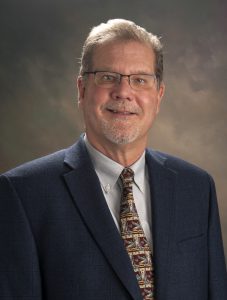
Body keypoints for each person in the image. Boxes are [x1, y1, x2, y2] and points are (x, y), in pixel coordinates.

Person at [0, 19, 226, 300]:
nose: (123, 91)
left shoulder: (197, 187)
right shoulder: (23, 194)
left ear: (159, 96)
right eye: (108, 77)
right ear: (81, 89)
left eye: (140, 80)